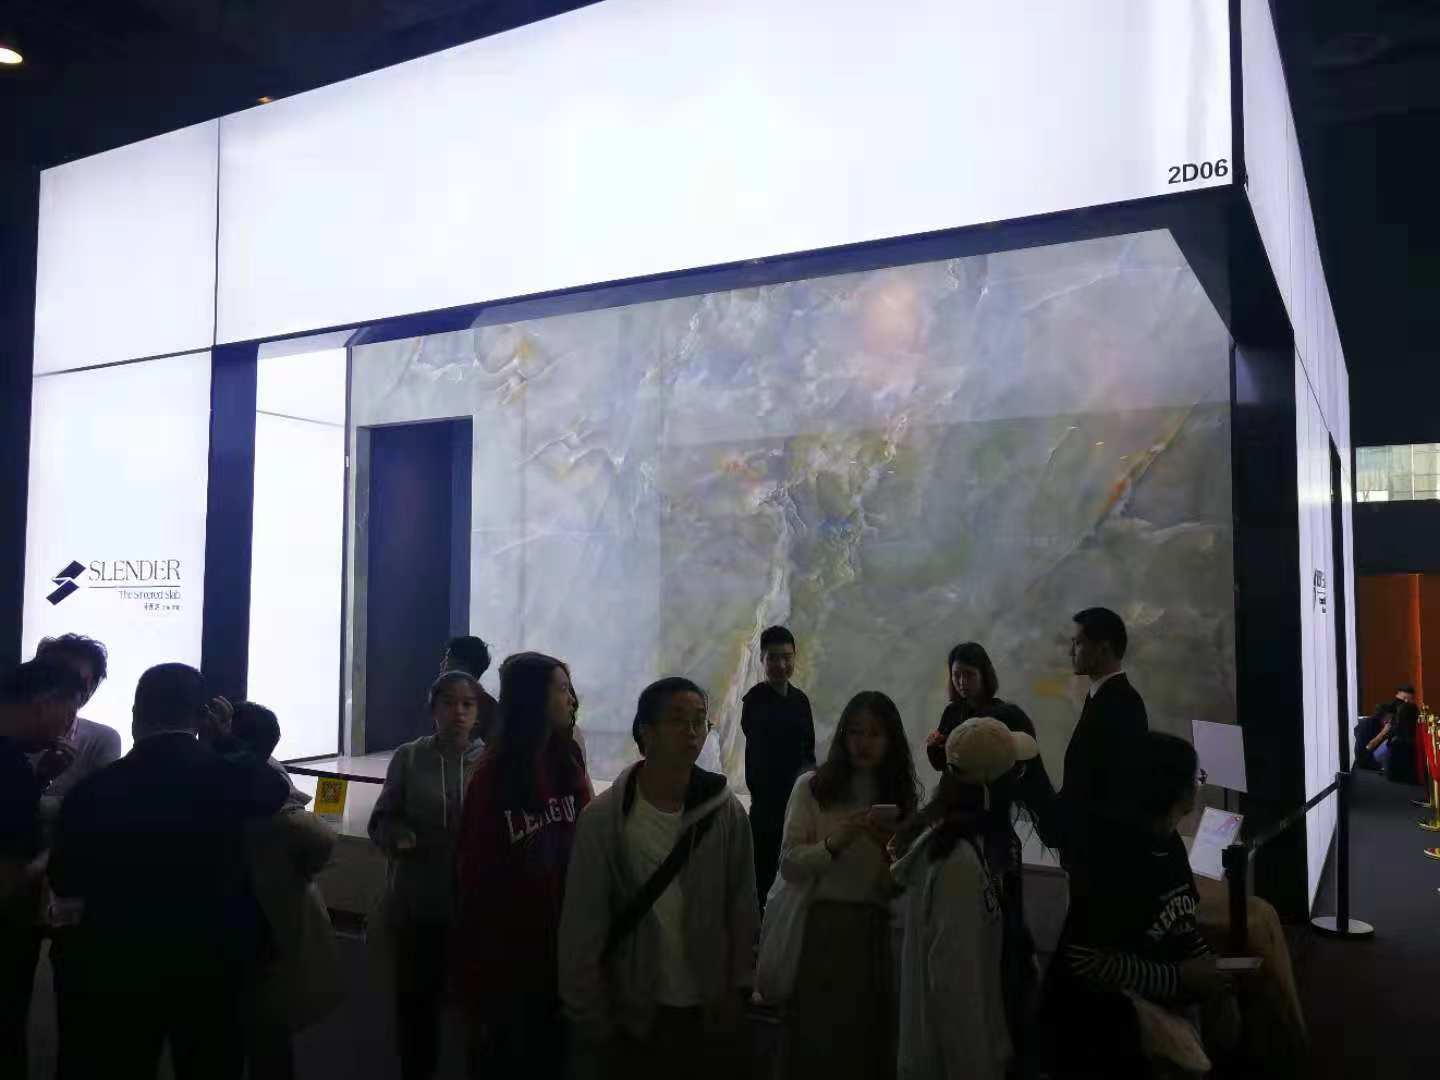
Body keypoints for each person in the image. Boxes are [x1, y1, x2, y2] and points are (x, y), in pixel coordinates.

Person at [48, 663, 291, 1080]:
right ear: (201, 717)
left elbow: (65, 878)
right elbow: (273, 789)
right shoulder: (224, 777)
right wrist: (224, 739)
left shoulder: (93, 790)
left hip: (117, 961)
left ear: (136, 716)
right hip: (213, 960)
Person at [559, 677, 758, 1080]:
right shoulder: (604, 820)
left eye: (700, 720)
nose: (692, 732)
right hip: (632, 1008)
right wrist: (588, 1009)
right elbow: (583, 920)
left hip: (707, 1003)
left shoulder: (725, 811)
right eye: (678, 720)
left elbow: (742, 905)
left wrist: (738, 986)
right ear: (646, 732)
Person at [1044, 733, 1236, 1079]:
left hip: (1160, 997)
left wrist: (1210, 970)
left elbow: (1181, 920)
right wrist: (1178, 977)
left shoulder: (1168, 841)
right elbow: (1084, 960)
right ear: (1175, 791)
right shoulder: (1111, 856)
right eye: (1196, 777)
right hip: (1106, 1019)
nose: (1199, 784)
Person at [454, 653, 593, 1076]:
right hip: (508, 964)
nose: (572, 699)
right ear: (534, 699)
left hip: (563, 956)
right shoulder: (491, 776)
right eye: (562, 689)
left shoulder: (568, 758)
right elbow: (475, 879)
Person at [918, 642, 1056, 1063]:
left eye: (969, 674)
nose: (962, 682)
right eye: (956, 675)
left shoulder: (1006, 716)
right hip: (962, 827)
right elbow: (950, 774)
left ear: (985, 675)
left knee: (1008, 931)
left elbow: (1028, 780)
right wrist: (937, 754)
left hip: (994, 832)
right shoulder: (952, 715)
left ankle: (1016, 1027)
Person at [776, 690, 918, 1080]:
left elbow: (903, 887)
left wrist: (889, 852)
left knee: (867, 1045)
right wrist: (837, 842)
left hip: (875, 930)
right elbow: (789, 864)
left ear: (890, 740)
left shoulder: (899, 798)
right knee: (816, 1042)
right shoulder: (812, 787)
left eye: (874, 733)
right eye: (855, 731)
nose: (863, 743)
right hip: (822, 925)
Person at [892, 718, 1038, 1080]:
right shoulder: (958, 863)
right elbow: (955, 988)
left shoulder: (971, 846)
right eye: (1014, 774)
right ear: (992, 790)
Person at [368, 670, 485, 1080]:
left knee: (478, 1017)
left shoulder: (490, 761)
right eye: (449, 703)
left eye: (467, 704)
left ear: (478, 712)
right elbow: (381, 819)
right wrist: (399, 837)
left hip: (476, 910)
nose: (458, 712)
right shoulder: (410, 757)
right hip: (418, 905)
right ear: (433, 708)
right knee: (416, 1012)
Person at [231, 701, 342, 1080]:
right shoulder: (269, 783)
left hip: (228, 927)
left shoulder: (222, 775)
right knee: (269, 1035)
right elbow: (319, 838)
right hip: (266, 926)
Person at [0, 659, 84, 1076]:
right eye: (70, 713)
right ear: (46, 702)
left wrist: (38, 780)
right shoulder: (9, 766)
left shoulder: (16, 764)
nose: (69, 726)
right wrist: (55, 854)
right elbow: (7, 881)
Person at [1058, 608, 1150, 852]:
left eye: (1078, 643)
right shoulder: (1102, 697)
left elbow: (1113, 789)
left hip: (1103, 853)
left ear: (1103, 648)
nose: (1071, 652)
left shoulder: (1121, 703)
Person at [741, 625, 816, 909]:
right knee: (765, 876)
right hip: (767, 806)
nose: (781, 665)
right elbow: (762, 756)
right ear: (762, 659)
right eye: (773, 657)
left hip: (798, 801)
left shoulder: (801, 701)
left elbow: (808, 750)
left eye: (787, 657)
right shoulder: (754, 701)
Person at [31, 634, 121, 811]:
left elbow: (99, 808)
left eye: (78, 681)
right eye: (54, 674)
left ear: (91, 688)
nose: (65, 686)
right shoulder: (11, 731)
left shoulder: (103, 739)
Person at [442, 635, 500, 743]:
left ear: (463, 666)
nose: (442, 665)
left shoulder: (487, 708)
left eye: (448, 660)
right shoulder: (442, 701)